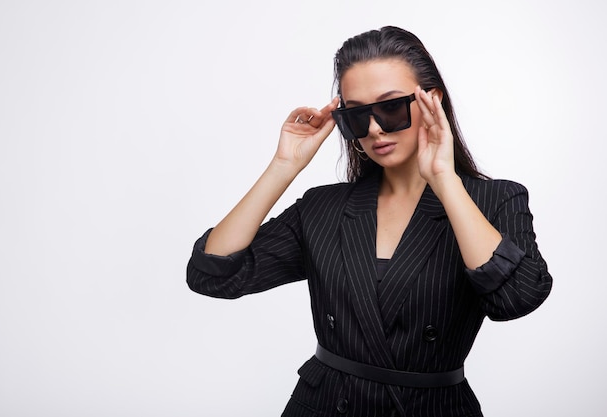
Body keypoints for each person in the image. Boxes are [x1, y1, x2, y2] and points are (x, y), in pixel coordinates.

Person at [186, 26, 552, 417]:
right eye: (358, 116)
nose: (375, 129)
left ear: (432, 101)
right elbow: (212, 275)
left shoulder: (495, 200)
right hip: (325, 405)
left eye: (391, 107)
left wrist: (444, 180)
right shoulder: (323, 207)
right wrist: (283, 166)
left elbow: (516, 299)